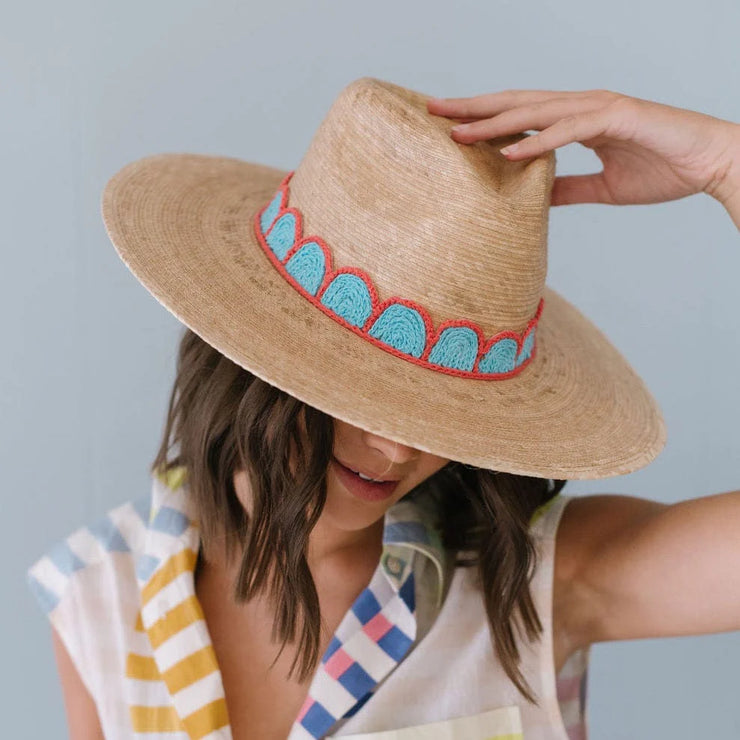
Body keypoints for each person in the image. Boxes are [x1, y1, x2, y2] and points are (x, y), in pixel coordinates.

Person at [26, 77, 739, 740]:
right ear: (256, 357)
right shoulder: (96, 599)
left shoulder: (530, 578)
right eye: (361, 391)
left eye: (442, 412)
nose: (399, 448)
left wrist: (725, 164)